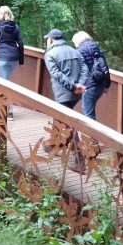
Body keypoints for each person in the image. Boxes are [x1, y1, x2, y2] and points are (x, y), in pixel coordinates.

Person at [43, 28, 88, 173]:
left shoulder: (50, 54)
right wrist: (79, 85)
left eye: (47, 39)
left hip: (63, 93)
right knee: (60, 117)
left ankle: (80, 161)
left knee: (69, 125)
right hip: (76, 92)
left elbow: (56, 74)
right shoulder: (75, 51)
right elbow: (85, 69)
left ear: (51, 39)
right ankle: (54, 145)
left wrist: (72, 86)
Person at [0, 6, 24, 120]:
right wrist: (21, 60)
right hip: (14, 59)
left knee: (5, 84)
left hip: (2, 59)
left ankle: (9, 112)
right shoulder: (15, 26)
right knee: (5, 80)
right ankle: (0, 104)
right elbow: (21, 43)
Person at [72, 31, 111, 121]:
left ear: (77, 41)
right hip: (100, 85)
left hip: (89, 86)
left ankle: (91, 130)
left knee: (88, 114)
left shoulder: (79, 51)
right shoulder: (97, 49)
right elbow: (105, 67)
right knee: (90, 111)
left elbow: (76, 69)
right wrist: (106, 85)